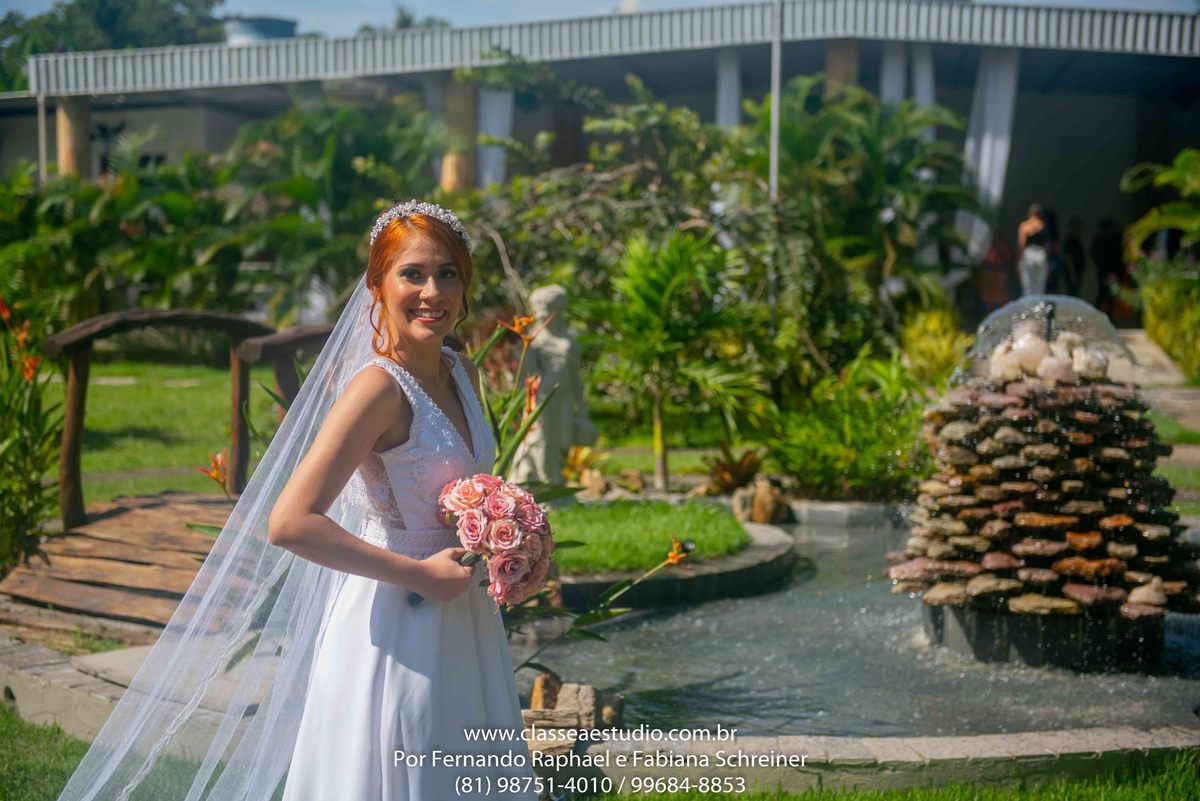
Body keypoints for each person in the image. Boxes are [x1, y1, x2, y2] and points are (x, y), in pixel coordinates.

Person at [52, 201, 539, 801]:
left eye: (448, 274)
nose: (431, 291)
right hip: (399, 620)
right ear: (377, 283)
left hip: (463, 616)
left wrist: (512, 542)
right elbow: (289, 522)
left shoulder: (459, 369)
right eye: (412, 273)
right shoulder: (377, 390)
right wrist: (419, 572)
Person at [1016, 203, 1050, 296]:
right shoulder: (1043, 225)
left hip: (1029, 254)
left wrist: (1019, 261)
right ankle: (1038, 309)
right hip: (1041, 255)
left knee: (1027, 286)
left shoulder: (1024, 226)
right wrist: (1047, 263)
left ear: (1030, 213)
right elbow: (1047, 246)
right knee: (1039, 287)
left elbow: (1021, 244)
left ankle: (1029, 309)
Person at [1063, 217, 1087, 297]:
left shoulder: (1077, 240)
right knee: (1071, 294)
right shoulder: (1070, 241)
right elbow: (1068, 257)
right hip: (1072, 272)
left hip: (1076, 272)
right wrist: (1072, 274)